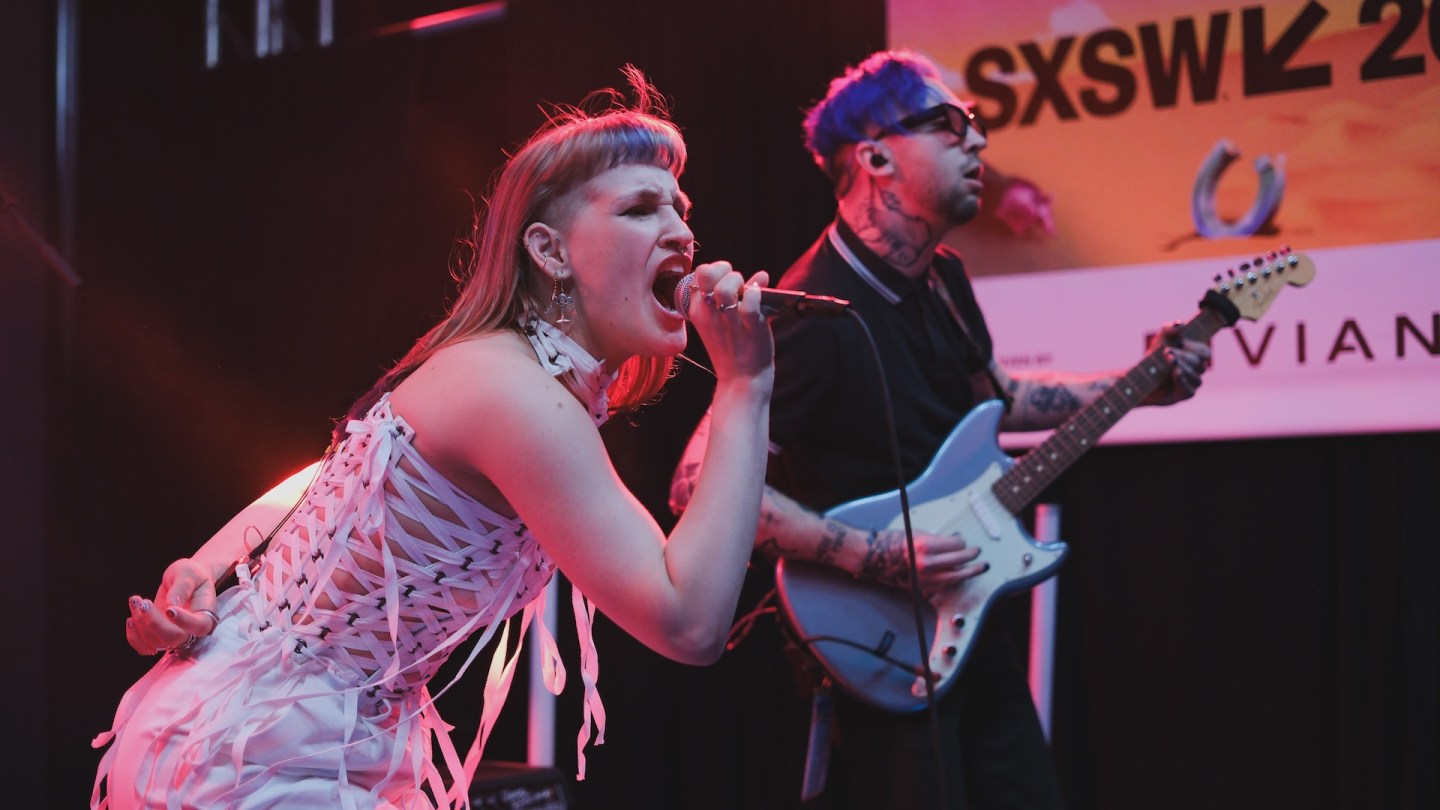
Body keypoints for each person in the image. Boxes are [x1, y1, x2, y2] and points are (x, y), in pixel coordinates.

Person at [93, 69, 776, 810]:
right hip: (256, 752)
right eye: (641, 209)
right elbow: (690, 620)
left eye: (682, 210)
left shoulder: (506, 371)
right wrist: (745, 388)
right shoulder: (515, 391)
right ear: (549, 252)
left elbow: (331, 474)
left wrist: (204, 565)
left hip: (303, 733)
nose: (680, 231)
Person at [670, 50, 1211, 809]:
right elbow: (698, 483)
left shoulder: (944, 277)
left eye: (978, 127)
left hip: (966, 620)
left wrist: (1140, 383)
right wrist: (876, 555)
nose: (979, 143)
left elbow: (1000, 398)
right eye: (951, 125)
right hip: (878, 641)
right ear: (877, 157)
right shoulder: (813, 313)